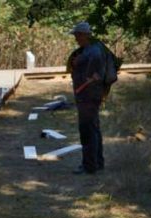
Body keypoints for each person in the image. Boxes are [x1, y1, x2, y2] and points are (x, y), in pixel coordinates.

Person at [67, 21, 106, 175]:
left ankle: (89, 166)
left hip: (87, 97)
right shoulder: (90, 50)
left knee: (87, 131)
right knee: (94, 129)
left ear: (85, 35)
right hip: (89, 96)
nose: (76, 38)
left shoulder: (93, 52)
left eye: (77, 35)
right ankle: (98, 162)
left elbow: (95, 76)